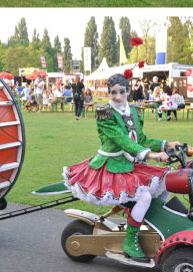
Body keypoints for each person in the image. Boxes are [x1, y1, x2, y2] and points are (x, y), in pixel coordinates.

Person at [55, 71, 179, 262]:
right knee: (145, 195)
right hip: (111, 166)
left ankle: (150, 227)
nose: (118, 96)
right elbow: (122, 141)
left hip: (130, 163)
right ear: (109, 93)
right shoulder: (104, 113)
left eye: (122, 91)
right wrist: (152, 155)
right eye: (114, 92)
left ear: (129, 91)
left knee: (166, 181)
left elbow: (142, 139)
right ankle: (130, 241)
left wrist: (166, 144)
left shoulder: (134, 111)